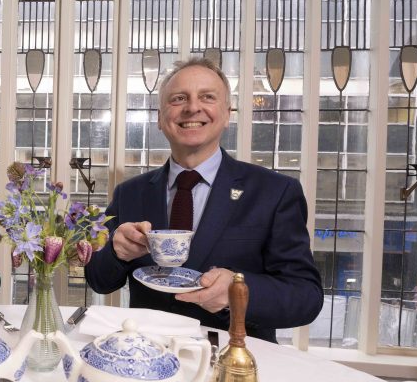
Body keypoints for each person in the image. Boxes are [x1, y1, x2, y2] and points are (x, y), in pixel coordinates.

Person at [84, 57, 322, 342]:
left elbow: (305, 296)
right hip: (148, 357)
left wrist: (236, 292)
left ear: (227, 114)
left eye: (207, 97)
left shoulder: (275, 192)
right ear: (161, 118)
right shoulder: (131, 193)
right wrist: (116, 253)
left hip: (231, 363)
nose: (192, 107)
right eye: (178, 98)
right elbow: (99, 280)